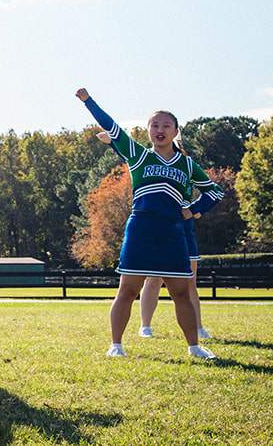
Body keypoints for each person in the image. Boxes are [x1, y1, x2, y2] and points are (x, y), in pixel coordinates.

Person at [77, 89, 222, 360]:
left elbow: (214, 192)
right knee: (127, 290)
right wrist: (88, 102)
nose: (160, 129)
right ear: (148, 131)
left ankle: (194, 346)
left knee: (181, 292)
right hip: (141, 232)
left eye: (166, 125)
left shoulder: (188, 165)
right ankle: (116, 345)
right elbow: (112, 128)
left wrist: (193, 210)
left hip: (172, 234)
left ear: (176, 131)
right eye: (154, 125)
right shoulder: (139, 155)